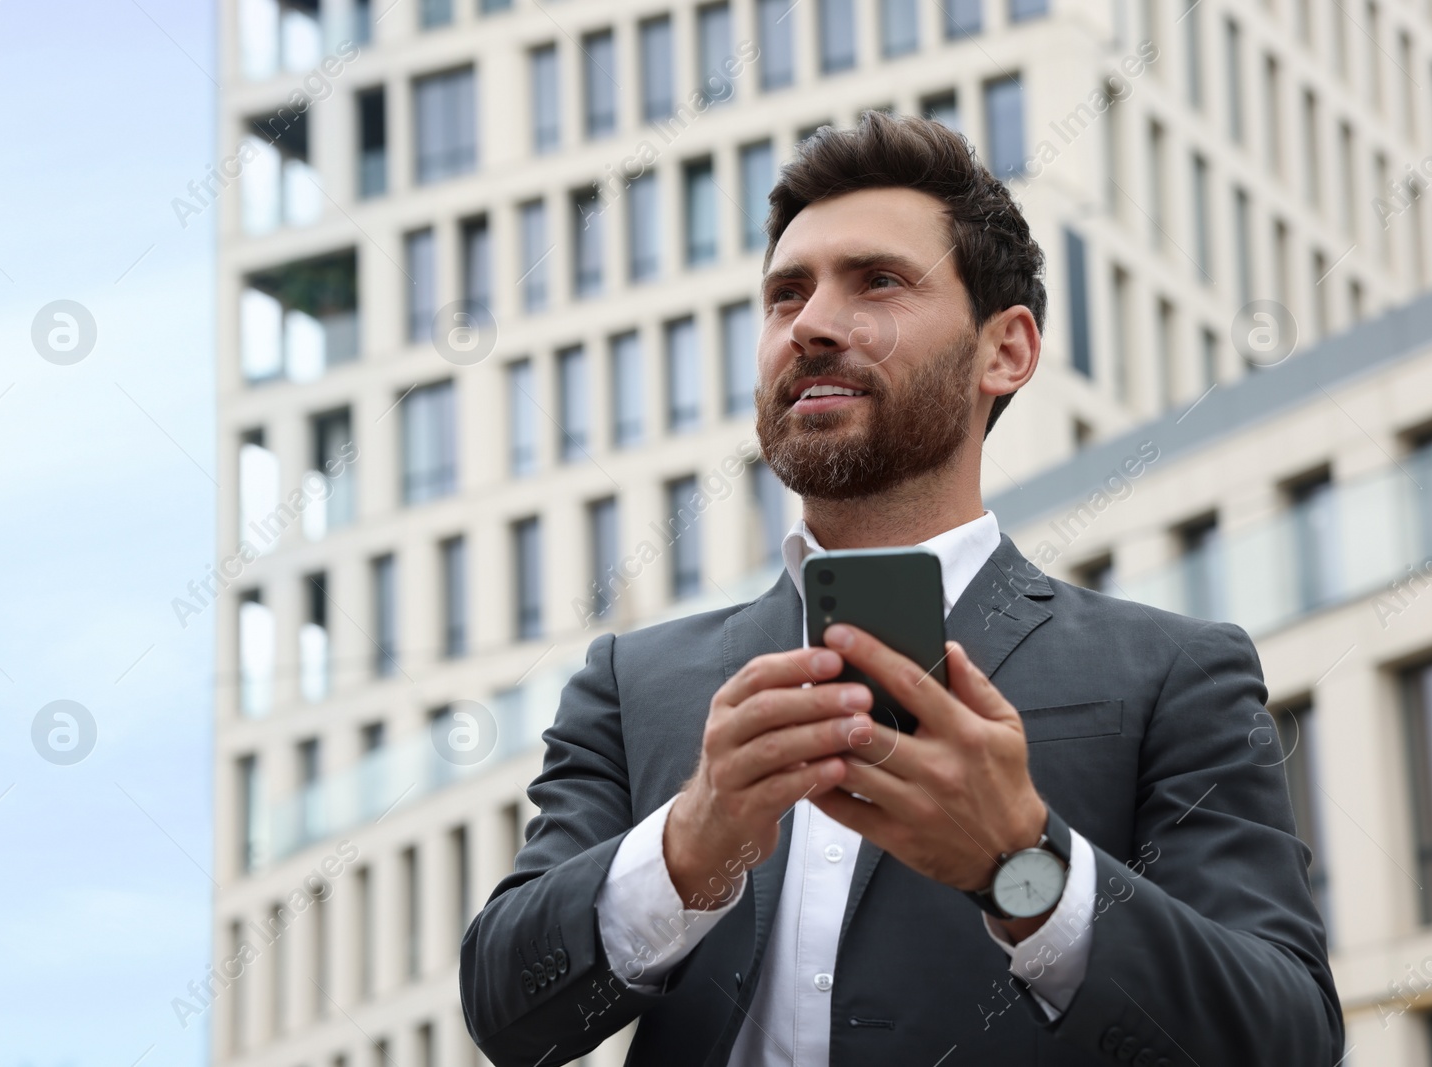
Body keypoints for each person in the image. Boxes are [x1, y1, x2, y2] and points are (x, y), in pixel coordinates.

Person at [460, 111, 1342, 1066]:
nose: (814, 325)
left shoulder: (1175, 670)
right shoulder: (633, 683)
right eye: (785, 295)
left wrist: (1023, 867)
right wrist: (688, 847)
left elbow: (1282, 1037)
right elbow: (508, 1012)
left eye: (877, 282)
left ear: (1005, 351)